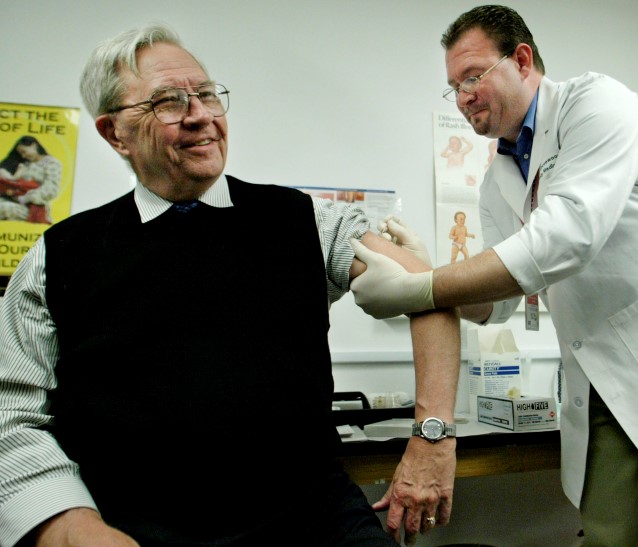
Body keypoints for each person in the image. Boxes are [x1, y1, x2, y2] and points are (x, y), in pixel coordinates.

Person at [350, 5, 638, 545]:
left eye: (473, 76)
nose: (464, 95)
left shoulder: (597, 103)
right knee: (611, 536)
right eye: (454, 86)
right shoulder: (496, 180)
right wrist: (423, 267)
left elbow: (566, 237)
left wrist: (416, 288)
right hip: (607, 386)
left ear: (521, 60)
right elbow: (496, 302)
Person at [0, 24, 461, 547]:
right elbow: (11, 419)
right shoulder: (56, 257)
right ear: (114, 133)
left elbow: (434, 292)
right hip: (129, 526)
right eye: (168, 102)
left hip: (310, 520)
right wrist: (71, 527)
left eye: (206, 93)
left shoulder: (306, 221)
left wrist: (433, 436)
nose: (201, 114)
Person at [0, 135, 62, 224]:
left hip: (34, 208)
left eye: (24, 152)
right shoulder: (24, 164)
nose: (23, 156)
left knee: (4, 208)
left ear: (33, 145)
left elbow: (51, 189)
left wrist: (26, 198)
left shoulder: (52, 163)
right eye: (21, 154)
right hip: (14, 199)